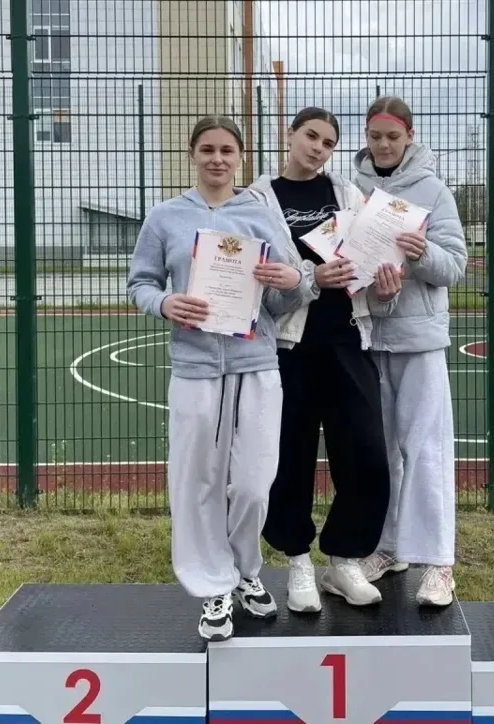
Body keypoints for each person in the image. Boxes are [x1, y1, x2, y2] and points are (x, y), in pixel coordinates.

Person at [126, 115, 311, 642]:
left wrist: (293, 280)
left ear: (240, 157)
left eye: (227, 150)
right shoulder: (165, 217)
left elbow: (291, 293)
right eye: (207, 149)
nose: (217, 159)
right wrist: (165, 303)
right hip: (195, 367)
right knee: (197, 482)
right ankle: (213, 586)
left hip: (256, 364)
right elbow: (140, 283)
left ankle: (245, 569)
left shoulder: (260, 215)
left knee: (252, 483)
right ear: (193, 154)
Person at [249, 106, 403, 613]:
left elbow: (371, 273)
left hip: (346, 342)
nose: (318, 148)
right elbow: (258, 283)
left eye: (329, 143)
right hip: (287, 348)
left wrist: (385, 291)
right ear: (290, 134)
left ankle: (344, 560)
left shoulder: (349, 196)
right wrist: (311, 278)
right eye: (311, 136)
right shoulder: (259, 200)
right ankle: (297, 560)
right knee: (288, 459)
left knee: (366, 455)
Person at [351, 96, 468, 608]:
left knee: (426, 450)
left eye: (392, 137)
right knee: (379, 455)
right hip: (367, 336)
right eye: (375, 136)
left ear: (409, 137)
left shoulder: (433, 190)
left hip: (419, 341)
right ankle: (388, 547)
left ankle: (439, 563)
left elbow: (454, 266)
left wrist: (421, 255)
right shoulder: (351, 188)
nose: (383, 146)